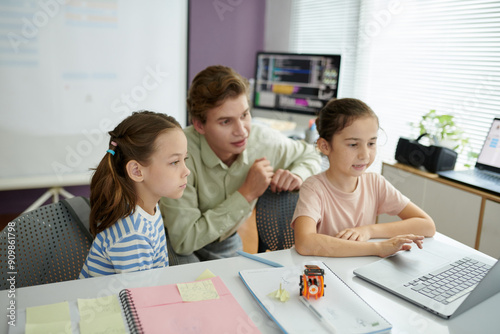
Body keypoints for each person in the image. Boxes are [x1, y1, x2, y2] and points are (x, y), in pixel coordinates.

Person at [160, 65, 321, 262]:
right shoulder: (179, 154)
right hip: (178, 245)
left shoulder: (263, 140)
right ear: (199, 125)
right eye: (226, 122)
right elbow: (184, 240)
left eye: (244, 115)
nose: (242, 131)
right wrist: (246, 194)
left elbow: (311, 154)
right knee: (196, 289)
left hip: (226, 240)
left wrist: (298, 175)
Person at [292, 98, 436, 258]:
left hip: (358, 269)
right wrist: (377, 248)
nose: (365, 155)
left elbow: (427, 225)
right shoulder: (314, 188)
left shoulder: (375, 183)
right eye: (353, 145)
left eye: (371, 143)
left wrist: (368, 230)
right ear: (325, 146)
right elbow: (305, 243)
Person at [80, 111, 190, 277]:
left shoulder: (149, 207)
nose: (186, 171)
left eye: (184, 160)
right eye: (174, 162)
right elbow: (139, 298)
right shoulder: (133, 235)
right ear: (137, 171)